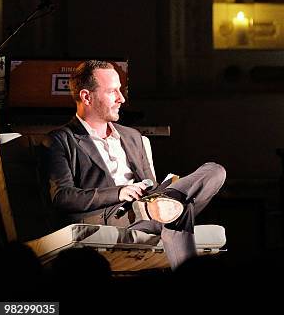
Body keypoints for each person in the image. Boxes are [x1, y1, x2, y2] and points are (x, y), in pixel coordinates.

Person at [43, 60, 226, 269]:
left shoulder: (132, 136)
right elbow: (62, 197)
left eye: (120, 90)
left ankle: (167, 206)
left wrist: (162, 190)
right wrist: (119, 193)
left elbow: (153, 187)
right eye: (113, 91)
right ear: (86, 97)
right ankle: (170, 209)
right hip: (113, 215)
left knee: (214, 171)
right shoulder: (61, 140)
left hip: (150, 206)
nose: (121, 98)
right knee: (179, 209)